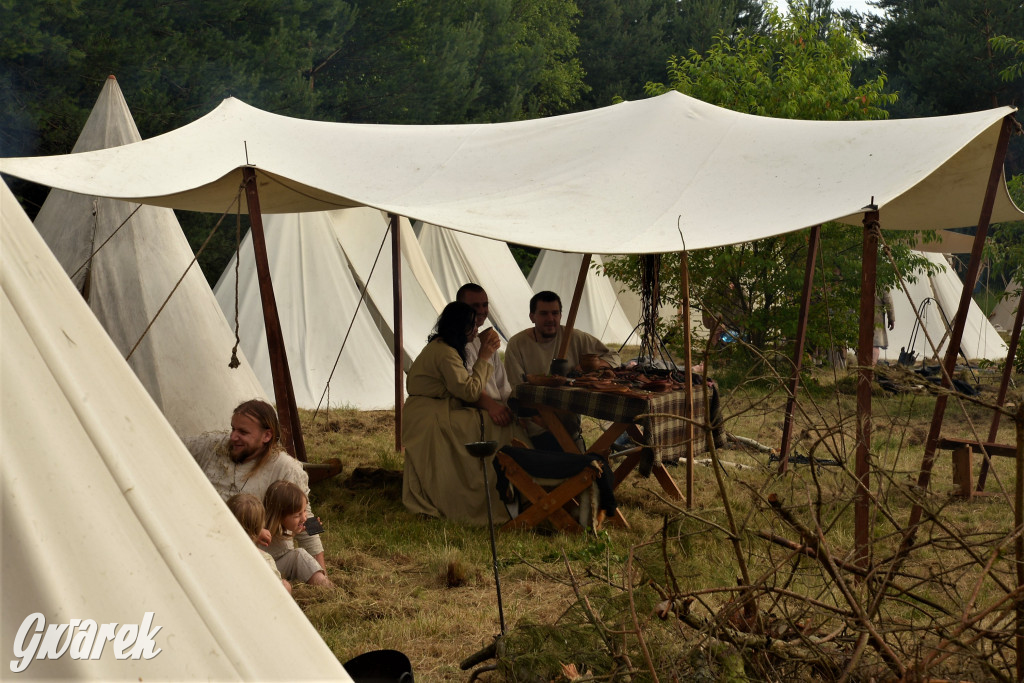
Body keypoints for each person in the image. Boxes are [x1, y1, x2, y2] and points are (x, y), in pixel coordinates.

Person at [184, 399, 326, 579]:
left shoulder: (287, 468)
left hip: (265, 559)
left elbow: (306, 516)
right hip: (207, 550)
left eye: (243, 432)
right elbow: (166, 442)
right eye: (233, 428)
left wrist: (321, 570)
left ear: (266, 436)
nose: (233, 436)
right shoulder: (211, 447)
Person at [402, 301, 514, 525]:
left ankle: (495, 485)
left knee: (485, 422)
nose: (476, 329)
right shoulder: (445, 352)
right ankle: (483, 491)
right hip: (430, 417)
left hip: (431, 411)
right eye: (472, 325)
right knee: (496, 426)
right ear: (460, 327)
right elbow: (470, 392)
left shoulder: (443, 347)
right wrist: (484, 356)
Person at [504, 291, 620, 451]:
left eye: (555, 313)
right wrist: (544, 421)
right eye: (544, 314)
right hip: (533, 431)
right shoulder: (517, 344)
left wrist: (591, 366)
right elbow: (517, 389)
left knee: (591, 468)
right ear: (532, 317)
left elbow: (613, 355)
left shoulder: (573, 336)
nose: (550, 319)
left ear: (560, 315)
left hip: (569, 426)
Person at [456, 283, 513, 427]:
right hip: (476, 411)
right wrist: (493, 407)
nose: (482, 310)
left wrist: (514, 407)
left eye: (485, 305)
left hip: (497, 408)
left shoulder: (484, 339)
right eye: (475, 306)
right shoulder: (454, 343)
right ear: (460, 307)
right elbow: (466, 388)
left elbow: (502, 385)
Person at [264, 481, 334, 588]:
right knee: (299, 554)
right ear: (279, 516)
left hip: (279, 566)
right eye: (297, 515)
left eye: (304, 510)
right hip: (263, 571)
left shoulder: (286, 525)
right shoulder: (265, 531)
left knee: (298, 555)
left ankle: (325, 586)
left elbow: (294, 528)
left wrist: (312, 526)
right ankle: (324, 586)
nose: (304, 518)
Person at [226, 493, 292, 594]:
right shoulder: (264, 559)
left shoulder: (218, 549)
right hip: (255, 601)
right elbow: (277, 592)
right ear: (260, 526)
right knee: (285, 586)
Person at [873, 291, 896, 365]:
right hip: (876, 319)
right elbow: (888, 301)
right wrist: (891, 318)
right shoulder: (881, 282)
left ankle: (866, 369)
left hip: (860, 318)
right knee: (874, 344)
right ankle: (870, 368)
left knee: (861, 344)